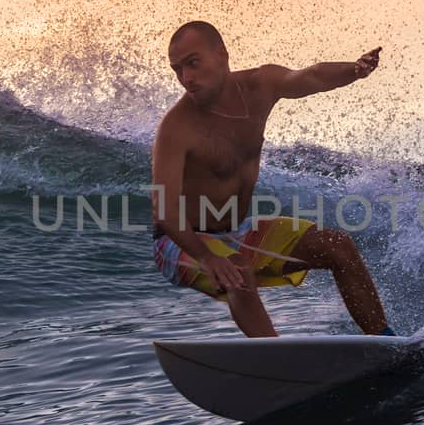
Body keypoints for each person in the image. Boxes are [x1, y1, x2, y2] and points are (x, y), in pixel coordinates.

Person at [150, 19, 395, 338]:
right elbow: (165, 211)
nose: (186, 78)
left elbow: (311, 75)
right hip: (181, 242)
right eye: (178, 70)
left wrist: (355, 70)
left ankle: (385, 342)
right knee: (237, 269)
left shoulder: (260, 85)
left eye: (193, 64)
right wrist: (207, 257)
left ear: (221, 55)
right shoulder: (176, 127)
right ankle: (278, 364)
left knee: (338, 245)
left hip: (237, 230)